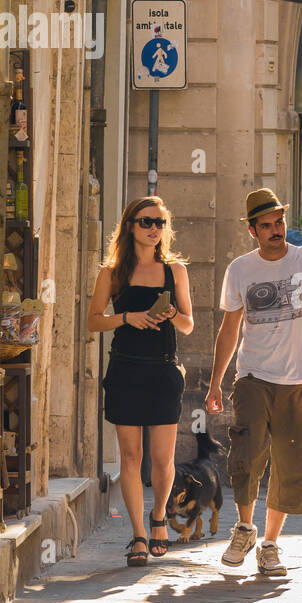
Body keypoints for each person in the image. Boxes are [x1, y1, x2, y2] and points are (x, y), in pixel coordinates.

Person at [206, 189, 302, 577]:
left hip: (299, 378)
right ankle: (244, 528)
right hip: (253, 375)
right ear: (252, 231)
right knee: (246, 450)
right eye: (267, 225)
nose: (276, 230)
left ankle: (270, 545)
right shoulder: (241, 270)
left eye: (279, 222)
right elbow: (229, 330)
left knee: (292, 461)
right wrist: (215, 383)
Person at [87, 197, 194, 566]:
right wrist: (127, 317)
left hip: (163, 370)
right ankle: (137, 535)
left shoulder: (175, 271)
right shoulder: (112, 273)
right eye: (147, 221)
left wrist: (172, 312)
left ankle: (160, 515)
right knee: (131, 457)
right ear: (130, 225)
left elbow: (188, 324)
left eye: (161, 223)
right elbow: (93, 320)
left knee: (163, 460)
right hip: (126, 370)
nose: (154, 229)